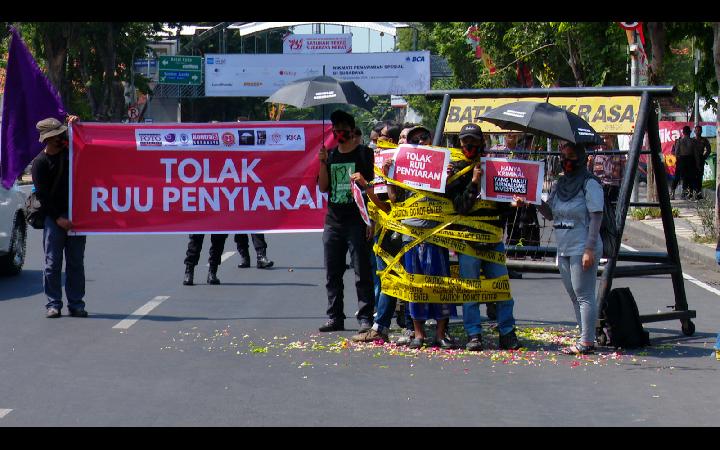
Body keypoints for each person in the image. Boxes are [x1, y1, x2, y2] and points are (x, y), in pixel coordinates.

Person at [447, 123, 521, 351]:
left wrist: (513, 204)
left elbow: (502, 207)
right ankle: (474, 334)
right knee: (470, 290)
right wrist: (473, 183)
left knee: (502, 289)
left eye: (474, 141)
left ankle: (507, 332)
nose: (469, 145)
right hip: (468, 241)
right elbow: (460, 207)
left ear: (482, 143)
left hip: (492, 239)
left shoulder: (496, 167)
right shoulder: (454, 171)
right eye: (465, 141)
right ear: (460, 143)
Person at [526, 141, 604, 355]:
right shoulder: (559, 184)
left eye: (571, 157)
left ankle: (587, 341)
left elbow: (596, 216)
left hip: (583, 246)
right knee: (573, 294)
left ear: (582, 158)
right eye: (563, 157)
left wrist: (589, 249)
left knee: (584, 294)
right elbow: (550, 213)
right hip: (564, 246)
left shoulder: (590, 183)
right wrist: (533, 199)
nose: (566, 161)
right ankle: (584, 335)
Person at [386, 128, 456, 350]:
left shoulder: (442, 162)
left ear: (431, 140)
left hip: (437, 234)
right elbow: (394, 198)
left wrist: (449, 177)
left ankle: (441, 334)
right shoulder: (403, 164)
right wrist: (389, 177)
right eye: (414, 139)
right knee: (415, 286)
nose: (420, 141)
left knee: (441, 286)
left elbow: (451, 195)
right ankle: (418, 334)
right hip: (412, 235)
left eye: (423, 138)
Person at [317, 110, 375, 332]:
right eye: (335, 130)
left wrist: (371, 220)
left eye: (343, 129)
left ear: (352, 131)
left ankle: (365, 317)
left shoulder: (365, 154)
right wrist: (322, 163)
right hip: (333, 222)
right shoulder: (330, 155)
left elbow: (374, 188)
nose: (339, 133)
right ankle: (335, 317)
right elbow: (323, 187)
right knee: (333, 273)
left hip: (358, 222)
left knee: (362, 272)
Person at [32, 115, 88, 318]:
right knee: (52, 264)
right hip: (54, 218)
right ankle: (53, 304)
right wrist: (58, 219)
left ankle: (76, 304)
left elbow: (87, 147)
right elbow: (43, 196)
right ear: (47, 139)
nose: (61, 137)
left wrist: (77, 125)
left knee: (75, 263)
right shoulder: (40, 163)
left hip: (76, 216)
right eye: (57, 135)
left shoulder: (70, 154)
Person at [670, 126, 697, 200]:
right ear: (690, 132)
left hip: (681, 160)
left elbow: (676, 153)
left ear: (683, 132)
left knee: (677, 177)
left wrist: (679, 159)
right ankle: (685, 194)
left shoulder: (679, 141)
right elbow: (695, 154)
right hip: (690, 160)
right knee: (688, 177)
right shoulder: (693, 141)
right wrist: (697, 163)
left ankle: (672, 194)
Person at [692, 125, 711, 199]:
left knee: (699, 176)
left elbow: (708, 149)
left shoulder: (704, 140)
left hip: (700, 159)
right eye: (696, 130)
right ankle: (693, 192)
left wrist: (704, 157)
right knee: (693, 176)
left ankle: (699, 193)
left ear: (701, 131)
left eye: (699, 130)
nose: (698, 132)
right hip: (692, 160)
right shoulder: (692, 140)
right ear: (694, 131)